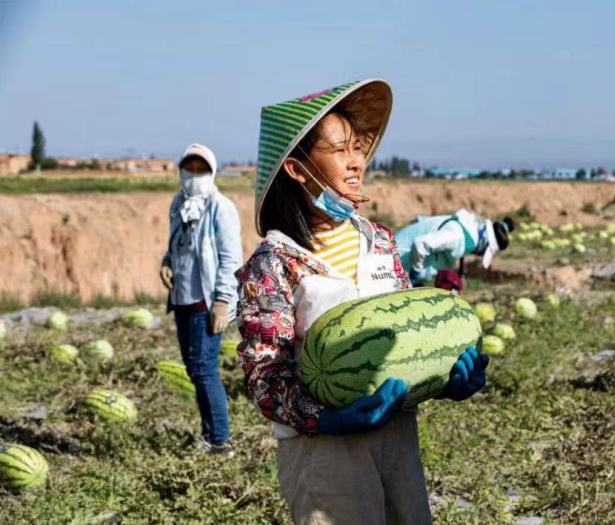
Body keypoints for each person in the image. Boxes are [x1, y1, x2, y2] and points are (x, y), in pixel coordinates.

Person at [235, 79, 490, 524]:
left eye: (358, 148)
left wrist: (445, 377)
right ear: (297, 170)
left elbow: (409, 336)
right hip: (323, 454)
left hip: (397, 439)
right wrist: (330, 419)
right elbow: (263, 376)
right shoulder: (273, 263)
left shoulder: (381, 242)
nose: (357, 162)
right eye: (340, 150)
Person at [159, 143, 242, 455]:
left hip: (206, 304)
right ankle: (210, 435)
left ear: (212, 172)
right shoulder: (178, 203)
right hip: (183, 299)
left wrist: (223, 301)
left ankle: (219, 441)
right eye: (189, 168)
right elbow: (179, 243)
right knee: (195, 369)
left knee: (205, 369)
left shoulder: (222, 208)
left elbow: (231, 259)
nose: (194, 174)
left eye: (201, 169)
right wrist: (167, 262)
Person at [395, 209, 515, 292]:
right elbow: (420, 244)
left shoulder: (460, 225)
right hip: (394, 267)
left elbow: (418, 220)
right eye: (482, 252)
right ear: (484, 245)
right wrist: (415, 274)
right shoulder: (457, 237)